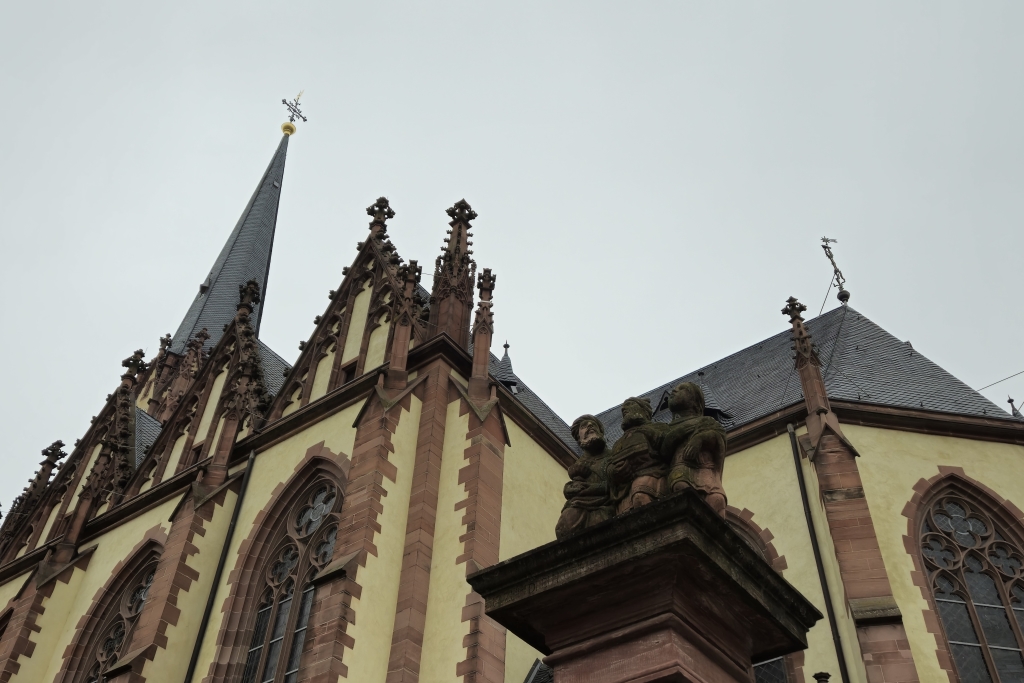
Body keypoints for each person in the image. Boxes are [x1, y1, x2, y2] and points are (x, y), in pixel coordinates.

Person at [662, 382, 728, 515]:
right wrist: (680, 432)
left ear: (695, 401)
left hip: (706, 469)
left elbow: (719, 439)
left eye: (682, 389)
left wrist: (701, 438)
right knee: (682, 489)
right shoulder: (665, 429)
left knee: (717, 499)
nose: (674, 391)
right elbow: (663, 451)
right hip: (682, 468)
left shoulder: (708, 422)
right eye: (675, 389)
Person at [555, 414, 615, 540]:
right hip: (580, 504)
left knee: (601, 527)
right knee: (564, 526)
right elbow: (573, 485)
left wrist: (592, 488)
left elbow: (617, 482)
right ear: (579, 438)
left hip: (606, 502)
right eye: (584, 426)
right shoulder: (579, 463)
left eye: (593, 425)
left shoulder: (613, 456)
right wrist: (569, 488)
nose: (590, 426)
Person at [606, 397, 668, 514]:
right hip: (625, 487)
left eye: (630, 404)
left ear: (644, 410)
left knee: (640, 496)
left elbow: (667, 449)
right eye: (623, 408)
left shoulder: (658, 428)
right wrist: (615, 471)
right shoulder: (618, 443)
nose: (624, 409)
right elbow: (608, 465)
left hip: (652, 474)